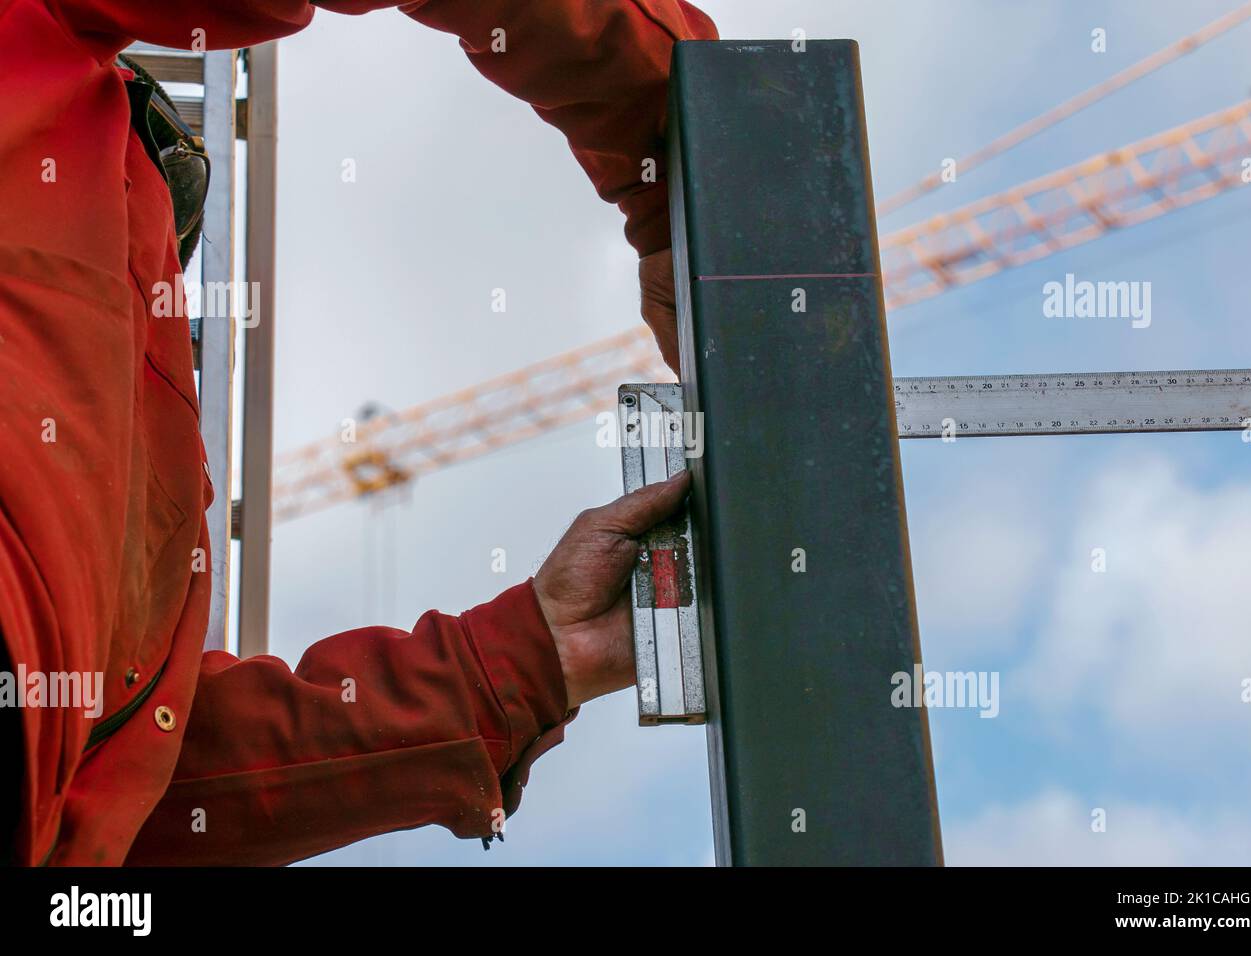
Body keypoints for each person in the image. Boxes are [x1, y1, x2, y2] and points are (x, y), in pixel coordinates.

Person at [0, 0, 716, 866]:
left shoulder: (131, 513)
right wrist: (686, 138)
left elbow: (131, 795)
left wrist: (526, 660)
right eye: (157, 150)